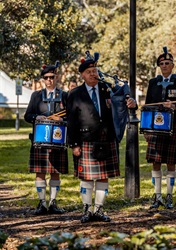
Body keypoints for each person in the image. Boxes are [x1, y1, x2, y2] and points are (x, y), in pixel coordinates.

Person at [67, 52, 137, 223]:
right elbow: (71, 121)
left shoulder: (107, 89)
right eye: (89, 71)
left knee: (103, 176)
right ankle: (87, 210)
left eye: (95, 70)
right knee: (86, 178)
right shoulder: (75, 94)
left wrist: (132, 102)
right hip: (85, 140)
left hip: (106, 139)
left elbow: (123, 99)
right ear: (82, 75)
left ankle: (98, 209)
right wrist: (74, 144)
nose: (93, 74)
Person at [144, 47, 176, 209]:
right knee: (155, 162)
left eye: (167, 63)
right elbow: (148, 105)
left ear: (172, 65)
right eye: (161, 63)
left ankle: (169, 195)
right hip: (155, 128)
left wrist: (175, 106)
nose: (164, 65)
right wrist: (146, 129)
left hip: (172, 127)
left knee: (171, 163)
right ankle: (157, 196)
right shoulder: (153, 83)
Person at [24, 61, 68, 215]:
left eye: (52, 77)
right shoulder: (36, 96)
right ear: (43, 79)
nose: (50, 80)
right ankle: (42, 203)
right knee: (40, 172)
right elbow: (27, 116)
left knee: (55, 172)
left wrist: (63, 120)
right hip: (40, 140)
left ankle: (53, 203)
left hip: (58, 139)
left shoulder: (64, 95)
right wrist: (38, 117)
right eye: (47, 77)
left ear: (57, 77)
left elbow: (72, 117)